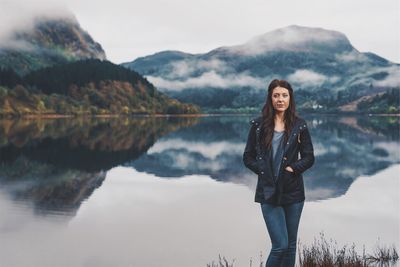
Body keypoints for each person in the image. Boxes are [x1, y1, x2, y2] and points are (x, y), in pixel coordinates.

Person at [243, 79, 315, 267]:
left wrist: (293, 168)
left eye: (284, 95)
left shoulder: (300, 125)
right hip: (268, 192)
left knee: (291, 246)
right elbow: (247, 157)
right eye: (276, 95)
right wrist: (263, 170)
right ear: (270, 98)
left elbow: (309, 157)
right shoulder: (258, 125)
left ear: (290, 98)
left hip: (293, 192)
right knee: (280, 246)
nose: (280, 99)